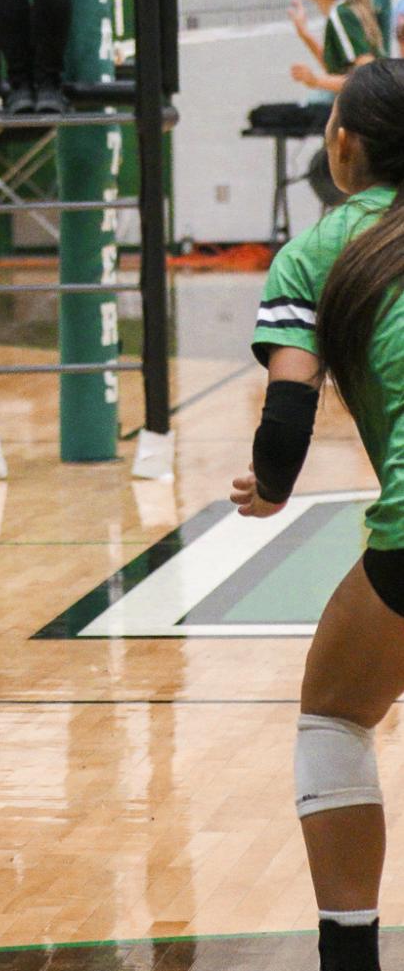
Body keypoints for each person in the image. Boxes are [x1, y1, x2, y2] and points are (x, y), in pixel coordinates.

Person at [233, 59, 404, 971]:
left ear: (343, 144)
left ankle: (350, 958)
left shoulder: (319, 248)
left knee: (335, 715)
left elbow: (288, 419)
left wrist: (269, 486)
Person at [290, 0, 384, 95]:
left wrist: (316, 81)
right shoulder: (339, 13)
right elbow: (335, 71)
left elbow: (368, 79)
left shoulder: (341, 15)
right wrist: (304, 34)